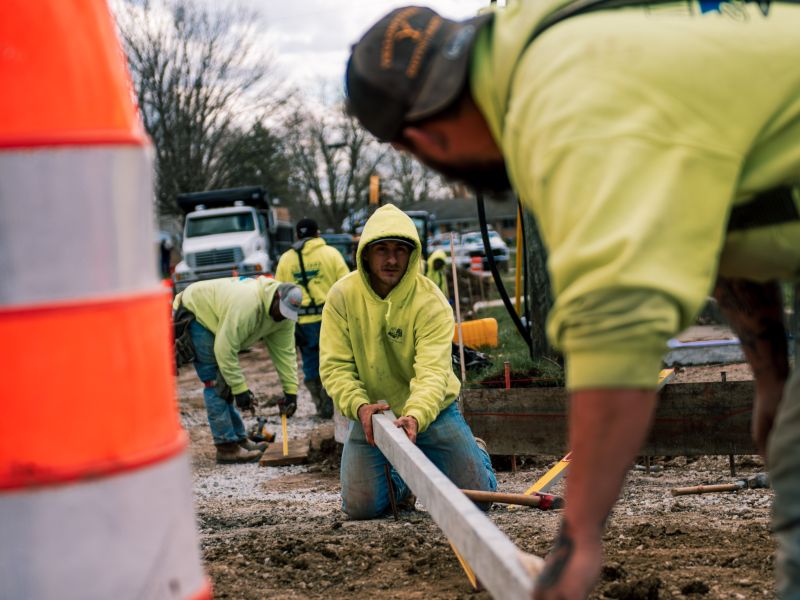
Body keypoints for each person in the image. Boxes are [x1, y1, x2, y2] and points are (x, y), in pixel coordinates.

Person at [345, 3, 800, 598]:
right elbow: (725, 208)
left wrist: (578, 539)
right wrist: (770, 376)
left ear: (423, 137)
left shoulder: (560, 114)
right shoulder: (541, 43)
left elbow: (617, 327)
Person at [320, 204, 496, 519]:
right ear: (365, 254)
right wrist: (359, 407)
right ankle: (402, 483)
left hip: (433, 412)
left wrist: (415, 416)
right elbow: (335, 367)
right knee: (361, 508)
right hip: (374, 415)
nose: (391, 259)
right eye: (382, 250)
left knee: (477, 501)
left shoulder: (431, 302)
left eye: (400, 250)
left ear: (412, 254)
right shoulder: (342, 296)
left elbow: (432, 373)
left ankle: (477, 453)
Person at [173, 277, 302, 464]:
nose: (282, 316)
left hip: (218, 314)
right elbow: (224, 350)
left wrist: (291, 392)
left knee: (226, 381)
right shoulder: (248, 305)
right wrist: (241, 390)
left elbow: (286, 354)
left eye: (287, 314)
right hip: (197, 312)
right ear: (276, 297)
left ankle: (240, 439)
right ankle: (227, 448)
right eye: (281, 311)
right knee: (215, 382)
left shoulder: (284, 318)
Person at [276, 218, 350, 418]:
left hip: (302, 323)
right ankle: (337, 406)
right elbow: (347, 287)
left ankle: (321, 406)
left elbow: (280, 293)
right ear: (318, 233)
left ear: (297, 235)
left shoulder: (285, 260)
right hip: (330, 320)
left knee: (310, 365)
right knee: (337, 361)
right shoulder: (332, 254)